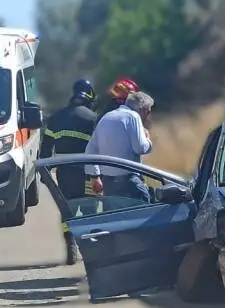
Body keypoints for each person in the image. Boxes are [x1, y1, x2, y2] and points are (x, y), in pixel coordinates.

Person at [38, 78, 98, 265]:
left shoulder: (57, 117)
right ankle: (89, 249)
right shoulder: (93, 118)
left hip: (64, 173)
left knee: (68, 210)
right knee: (89, 210)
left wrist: (45, 172)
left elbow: (46, 149)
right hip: (87, 172)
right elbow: (99, 148)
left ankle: (70, 244)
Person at [85, 90, 154, 202]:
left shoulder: (106, 117)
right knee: (145, 211)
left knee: (116, 216)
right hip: (128, 181)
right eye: (148, 112)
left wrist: (95, 177)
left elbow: (90, 150)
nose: (148, 117)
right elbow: (140, 148)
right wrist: (148, 140)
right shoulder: (133, 116)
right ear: (141, 110)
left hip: (108, 183)